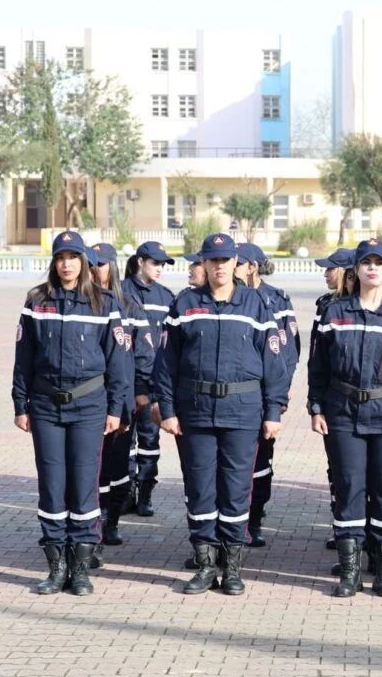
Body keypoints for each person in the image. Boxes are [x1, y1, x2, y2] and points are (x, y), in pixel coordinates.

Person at [153, 233, 288, 596]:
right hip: (195, 411)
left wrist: (273, 410)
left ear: (235, 263)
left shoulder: (257, 305)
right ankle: (204, 564)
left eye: (225, 260)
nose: (219, 266)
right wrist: (167, 409)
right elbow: (166, 363)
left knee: (235, 491)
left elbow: (274, 363)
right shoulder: (184, 304)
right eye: (212, 261)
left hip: (243, 412)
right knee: (200, 491)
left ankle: (231, 567)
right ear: (204, 264)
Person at [309, 239, 382, 598]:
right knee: (348, 489)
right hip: (344, 412)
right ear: (356, 270)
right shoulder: (335, 314)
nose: (372, 268)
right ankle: (350, 572)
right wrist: (316, 407)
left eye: (379, 262)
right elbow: (318, 366)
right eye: (366, 263)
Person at [13, 232, 129, 596]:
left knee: (82, 487)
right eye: (61, 257)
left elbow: (118, 362)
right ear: (54, 261)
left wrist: (116, 409)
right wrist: (20, 404)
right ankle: (56, 567)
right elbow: (24, 359)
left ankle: (80, 569)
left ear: (83, 262)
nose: (66, 263)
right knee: (51, 485)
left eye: (73, 257)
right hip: (46, 406)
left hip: (89, 406)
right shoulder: (37, 300)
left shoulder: (104, 302)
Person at [90, 243, 154, 552]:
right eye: (90, 264)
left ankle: (112, 519)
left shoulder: (129, 306)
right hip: (87, 399)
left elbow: (144, 354)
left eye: (100, 265)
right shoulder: (78, 305)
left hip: (121, 399)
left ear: (112, 268)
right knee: (89, 467)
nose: (94, 270)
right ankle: (91, 524)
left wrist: (143, 392)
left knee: (116, 467)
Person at [235, 243, 299, 548]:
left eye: (237, 262)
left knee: (261, 463)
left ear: (251, 266)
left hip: (264, 396)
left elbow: (288, 350)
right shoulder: (225, 297)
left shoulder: (276, 298)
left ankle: (255, 518)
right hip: (237, 395)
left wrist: (279, 395)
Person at [121, 241, 176, 518]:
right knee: (124, 443)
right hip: (126, 382)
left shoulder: (167, 297)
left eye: (163, 264)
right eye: (155, 263)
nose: (160, 269)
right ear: (141, 261)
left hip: (153, 382)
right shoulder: (120, 291)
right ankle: (126, 492)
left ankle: (145, 492)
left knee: (150, 441)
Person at [313, 247, 356, 552]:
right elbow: (318, 355)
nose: (326, 273)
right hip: (335, 400)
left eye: (331, 269)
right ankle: (343, 528)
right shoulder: (325, 305)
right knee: (338, 469)